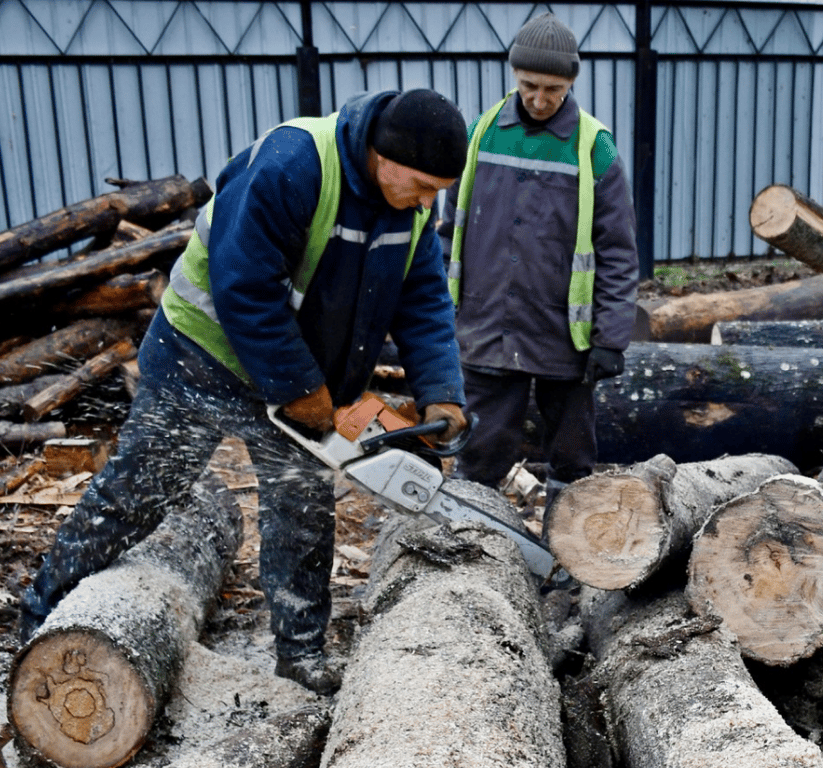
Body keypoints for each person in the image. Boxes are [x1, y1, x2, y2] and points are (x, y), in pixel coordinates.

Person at [19, 88, 471, 696]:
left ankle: (302, 655)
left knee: (303, 509)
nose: (428, 201)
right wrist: (302, 386)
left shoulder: (409, 207)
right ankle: (44, 616)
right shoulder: (294, 164)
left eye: (438, 190)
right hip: (201, 356)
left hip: (297, 372)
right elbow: (245, 287)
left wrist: (441, 388)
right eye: (421, 184)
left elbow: (423, 301)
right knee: (138, 493)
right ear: (379, 153)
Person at [441, 12, 638, 507]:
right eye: (529, 85)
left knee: (572, 457)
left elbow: (617, 250)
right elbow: (448, 233)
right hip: (486, 329)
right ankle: (472, 545)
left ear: (572, 81)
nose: (540, 98)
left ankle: (571, 568)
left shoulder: (596, 149)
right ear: (513, 75)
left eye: (553, 88)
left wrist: (610, 337)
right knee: (480, 453)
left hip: (563, 338)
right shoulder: (480, 135)